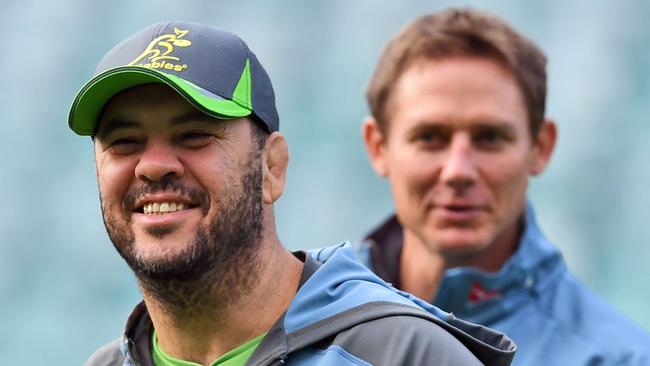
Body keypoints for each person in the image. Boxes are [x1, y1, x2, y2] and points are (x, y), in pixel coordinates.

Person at [68, 21, 515, 366]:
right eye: (124, 141)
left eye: (194, 135)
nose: (153, 165)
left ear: (272, 168)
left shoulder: (403, 354)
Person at [358, 7, 650, 366]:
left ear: (540, 147)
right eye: (430, 137)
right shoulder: (307, 326)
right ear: (378, 147)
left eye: (490, 137)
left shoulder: (621, 359)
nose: (458, 171)